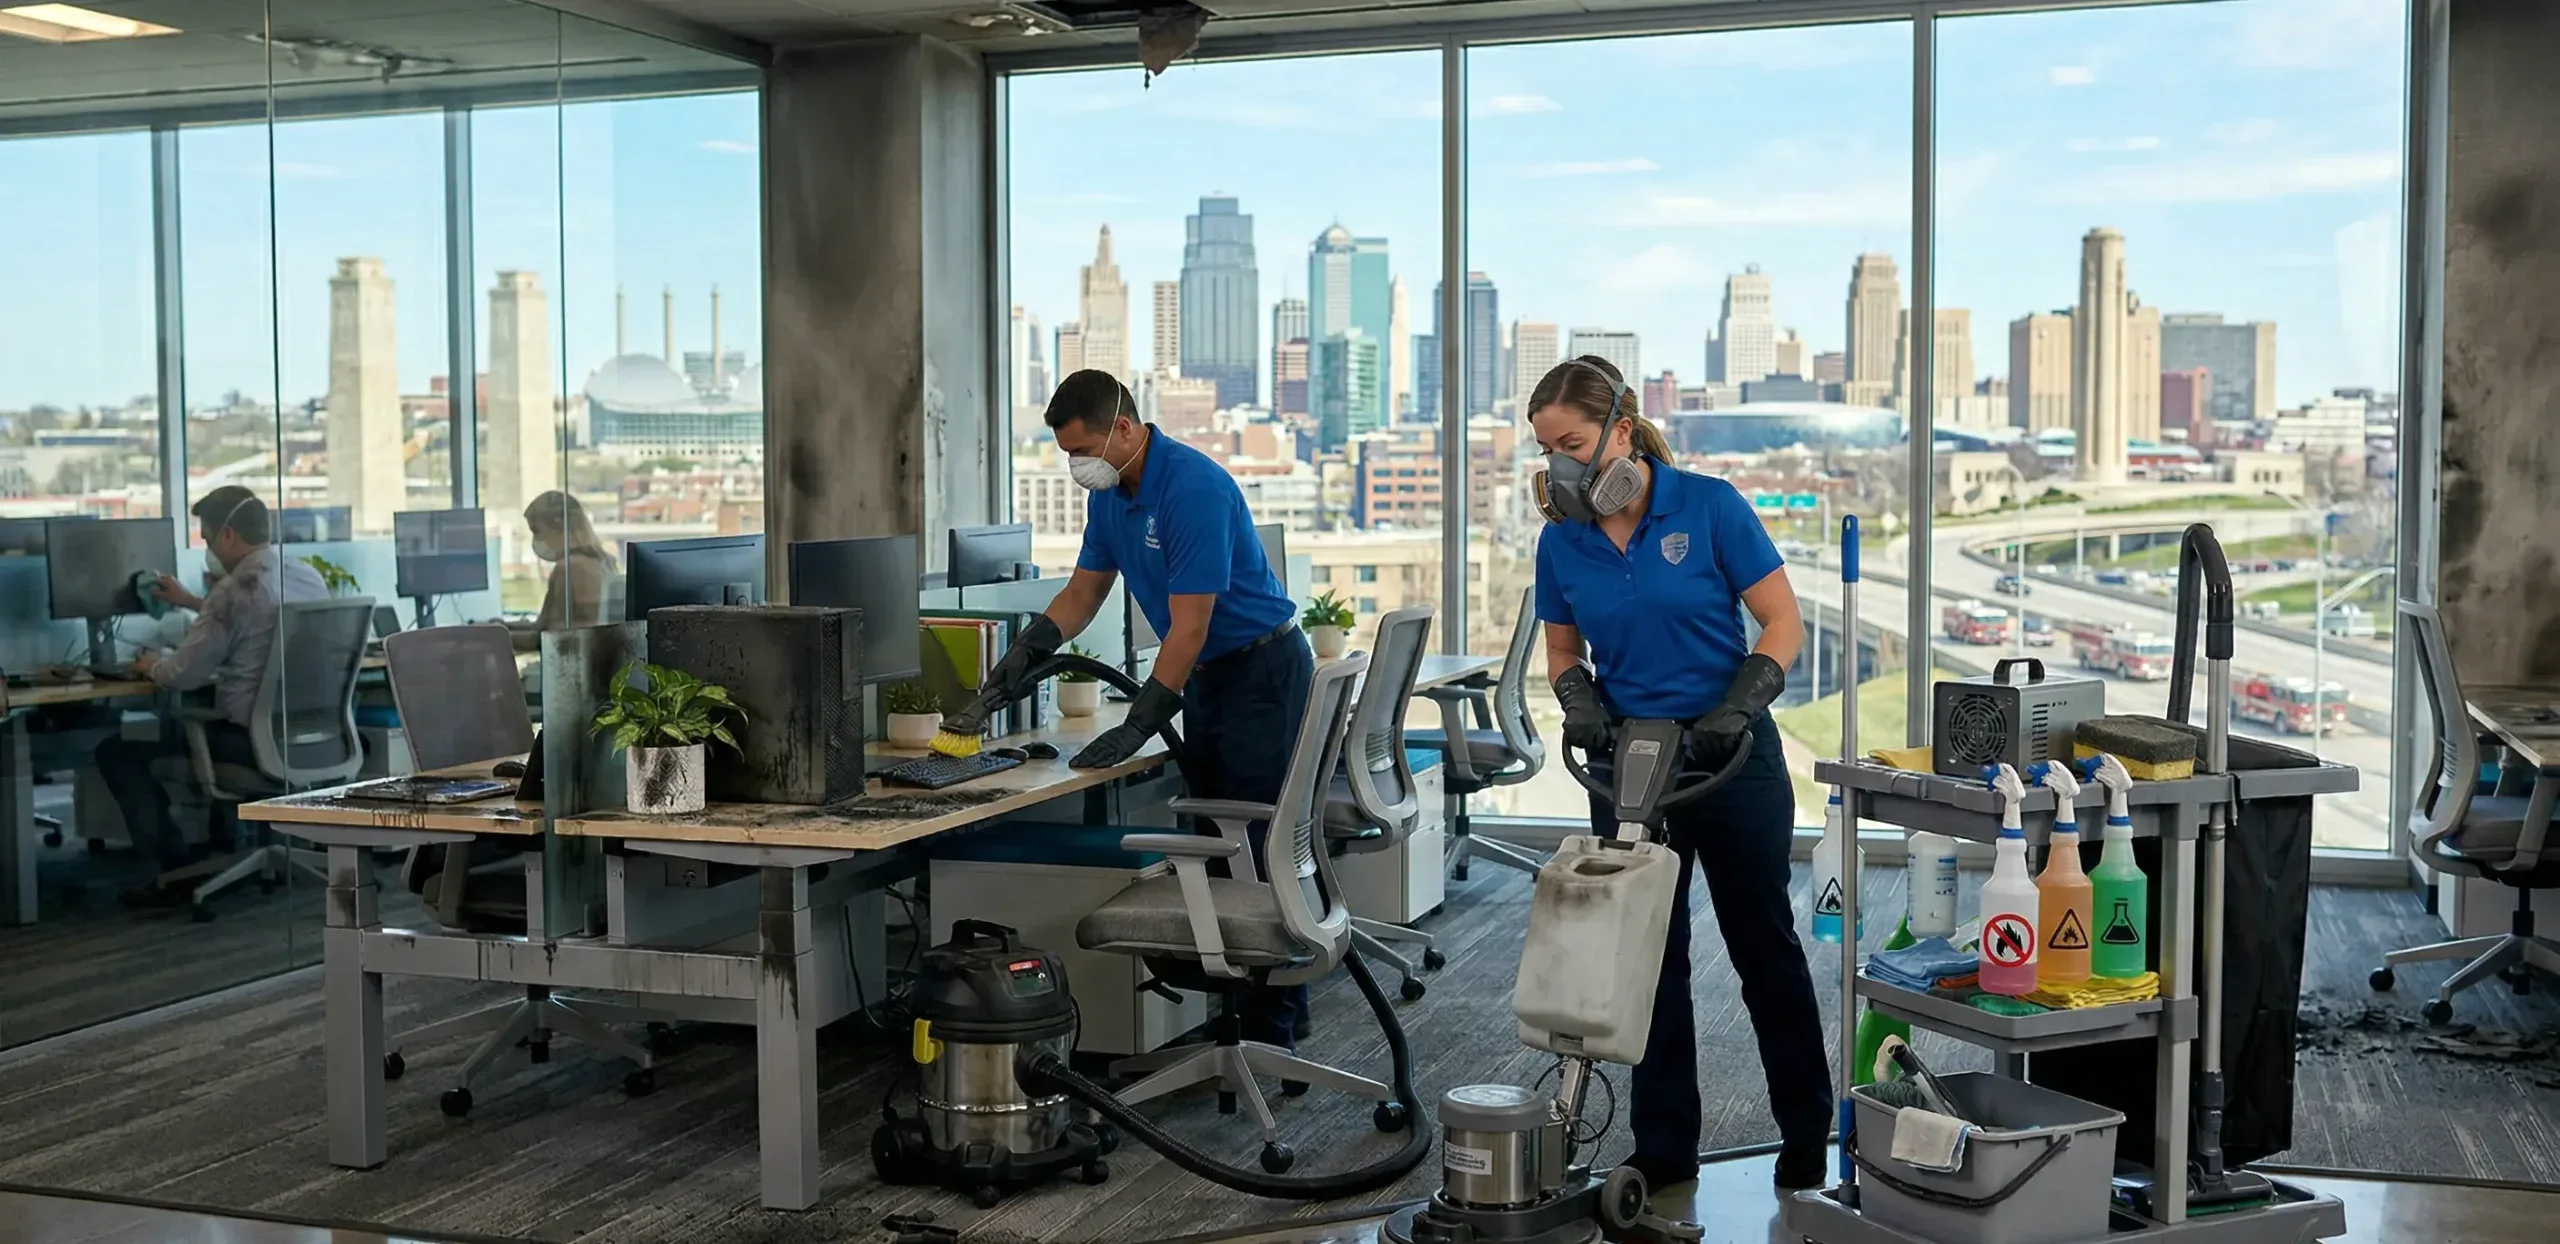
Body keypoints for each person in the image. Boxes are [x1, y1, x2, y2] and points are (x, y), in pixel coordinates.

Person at [1526, 355, 1830, 1192]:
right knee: (1647, 961)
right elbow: (1562, 646)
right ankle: (1665, 1148)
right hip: (1635, 763)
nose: (1560, 464)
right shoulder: (1563, 538)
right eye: (1547, 448)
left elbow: (1780, 622)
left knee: (1762, 946)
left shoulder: (1709, 505)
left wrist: (1737, 708)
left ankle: (1806, 1130)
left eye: (1574, 442)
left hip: (1730, 755)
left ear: (1622, 428)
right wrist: (1578, 701)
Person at [945, 368, 1312, 1048]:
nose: (1077, 466)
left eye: (1083, 450)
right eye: (1066, 454)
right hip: (1208, 675)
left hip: (1260, 672)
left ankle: (1273, 1027)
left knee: (1255, 840)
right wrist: (1025, 653)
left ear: (1123, 427)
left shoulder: (1192, 489)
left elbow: (1190, 626)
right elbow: (1084, 595)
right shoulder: (1112, 500)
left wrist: (1139, 724)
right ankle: (1236, 1013)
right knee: (1214, 835)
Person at [96, 486, 327, 906]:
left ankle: (172, 868)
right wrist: (191, 601)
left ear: (228, 537)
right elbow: (256, 621)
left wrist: (150, 666)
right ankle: (213, 853)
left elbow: (180, 675)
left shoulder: (234, 591)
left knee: (117, 752)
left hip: (248, 744)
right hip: (309, 737)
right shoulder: (304, 576)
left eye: (205, 537)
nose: (207, 547)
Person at [508, 490, 615, 650]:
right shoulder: (603, 562)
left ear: (560, 527)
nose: (535, 540)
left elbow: (547, 638)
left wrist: (488, 640)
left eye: (537, 531)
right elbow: (545, 627)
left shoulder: (569, 569)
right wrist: (502, 628)